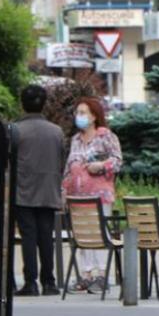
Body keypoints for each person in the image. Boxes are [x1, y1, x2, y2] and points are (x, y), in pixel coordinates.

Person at [61, 97, 123, 293]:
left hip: (99, 195)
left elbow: (117, 161)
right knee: (83, 233)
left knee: (99, 232)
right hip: (77, 196)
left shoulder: (106, 136)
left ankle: (102, 275)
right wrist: (64, 189)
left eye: (83, 112)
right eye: (77, 113)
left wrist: (101, 166)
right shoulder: (75, 140)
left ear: (94, 116)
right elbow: (68, 167)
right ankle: (86, 274)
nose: (79, 116)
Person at [13, 85, 67, 296]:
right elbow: (61, 162)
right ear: (44, 104)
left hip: (23, 191)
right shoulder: (56, 131)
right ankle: (49, 282)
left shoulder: (16, 130)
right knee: (46, 236)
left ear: (22, 103)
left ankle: (30, 282)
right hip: (48, 191)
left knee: (28, 236)